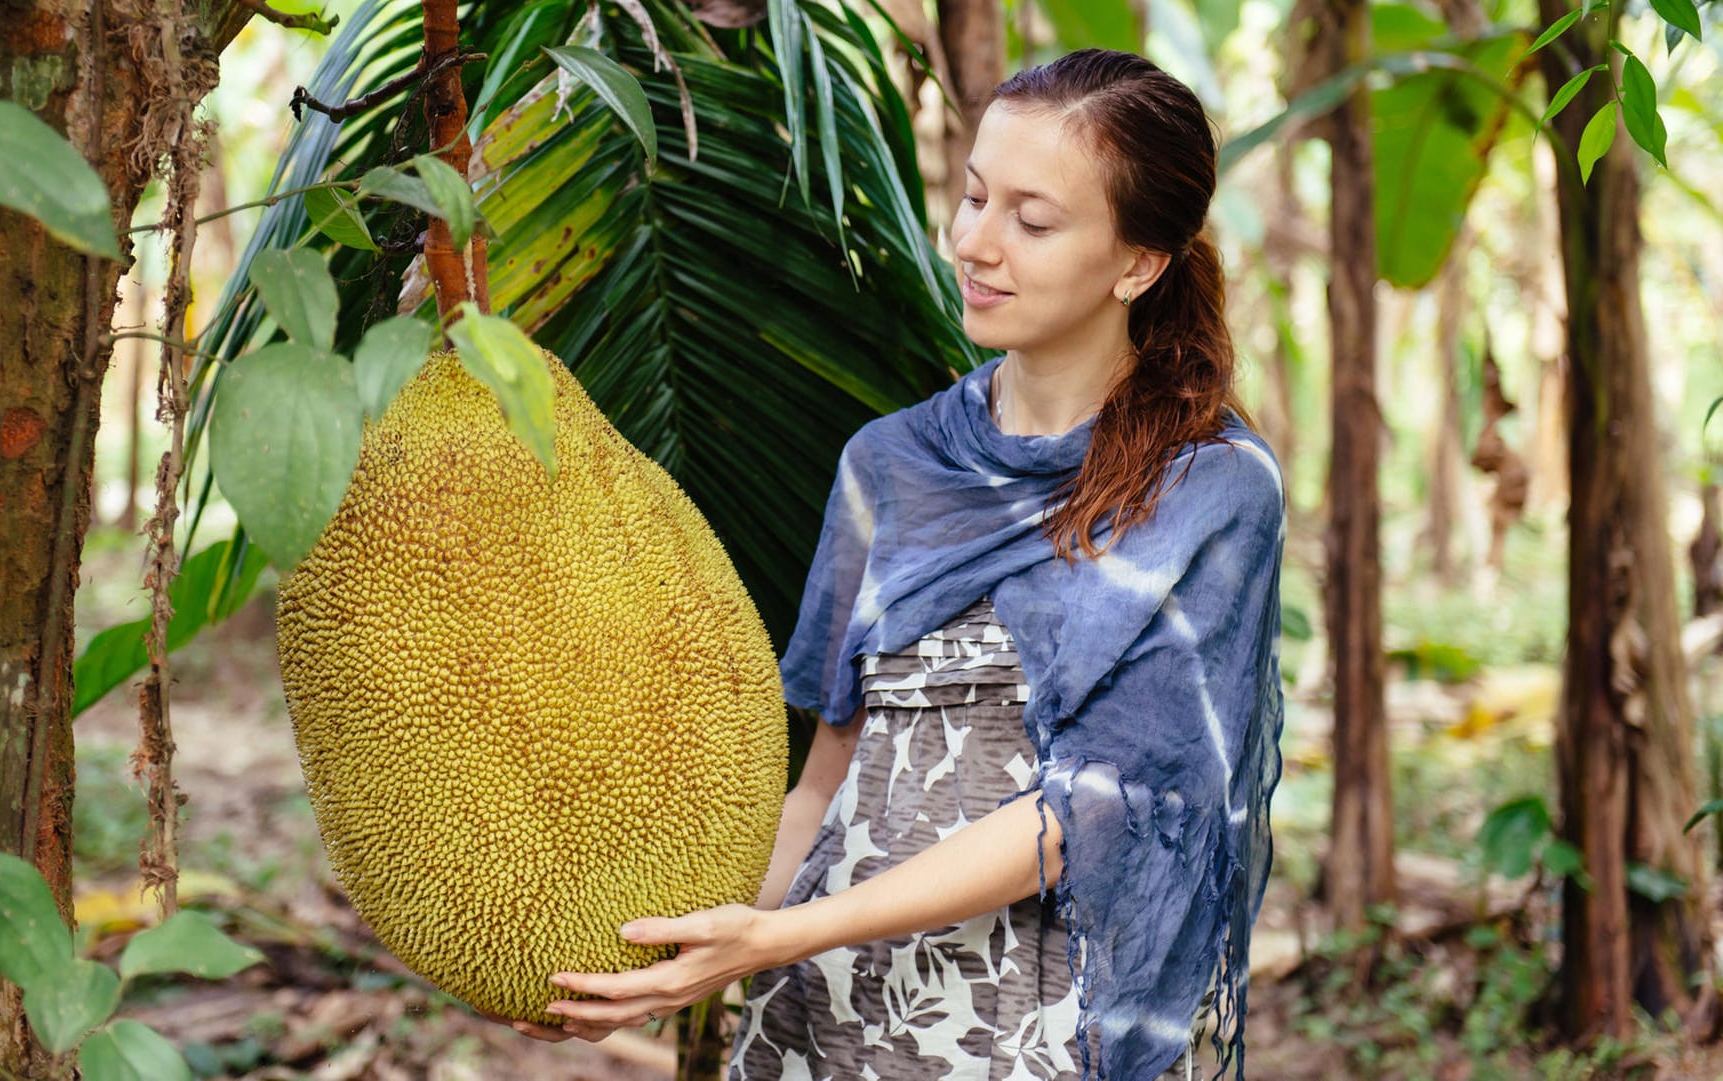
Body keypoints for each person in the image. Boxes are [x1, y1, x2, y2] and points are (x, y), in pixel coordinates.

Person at [498, 48, 1286, 1081]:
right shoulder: (892, 461)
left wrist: (782, 935)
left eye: (1032, 221)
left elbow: (1095, 808)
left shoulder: (1213, 488)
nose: (974, 243)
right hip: (827, 1010)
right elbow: (824, 779)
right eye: (972, 197)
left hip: (1037, 1031)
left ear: (1137, 263)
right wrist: (673, 953)